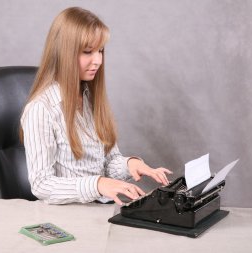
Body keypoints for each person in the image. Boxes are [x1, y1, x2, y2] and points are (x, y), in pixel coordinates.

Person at [20, 7, 172, 205]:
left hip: (100, 210)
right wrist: (97, 184)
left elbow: (108, 162)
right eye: (87, 52)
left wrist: (131, 164)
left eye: (100, 51)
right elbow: (41, 185)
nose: (98, 61)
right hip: (69, 217)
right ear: (64, 53)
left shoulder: (90, 100)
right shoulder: (41, 109)